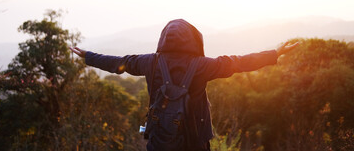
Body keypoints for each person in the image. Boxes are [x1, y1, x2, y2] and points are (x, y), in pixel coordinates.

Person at [70, 19, 298, 151]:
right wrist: (274, 53)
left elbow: (119, 64)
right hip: (194, 141)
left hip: (160, 139)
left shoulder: (150, 62)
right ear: (193, 39)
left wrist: (88, 55)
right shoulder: (202, 65)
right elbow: (238, 63)